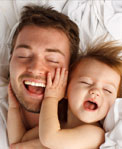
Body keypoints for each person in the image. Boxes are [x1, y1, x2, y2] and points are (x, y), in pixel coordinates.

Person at [6, 4, 80, 149]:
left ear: (71, 70)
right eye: (23, 56)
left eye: (52, 59)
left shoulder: (84, 127)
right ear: (10, 61)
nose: (35, 69)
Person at [38, 41, 122, 149]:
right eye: (86, 82)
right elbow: (19, 140)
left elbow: (49, 139)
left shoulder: (95, 134)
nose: (95, 91)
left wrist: (51, 98)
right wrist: (14, 107)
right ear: (65, 89)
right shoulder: (55, 125)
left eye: (107, 90)